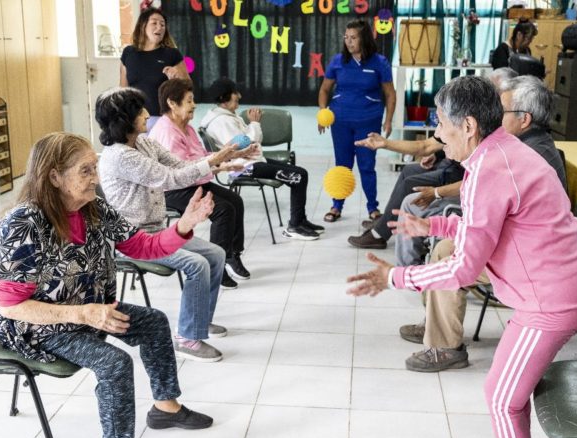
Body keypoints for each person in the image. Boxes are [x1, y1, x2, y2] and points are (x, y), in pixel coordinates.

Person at [347, 76, 577, 438]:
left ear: (468, 126)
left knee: (500, 398)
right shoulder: (499, 152)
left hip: (552, 299)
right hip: (559, 287)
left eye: (442, 122)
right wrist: (432, 223)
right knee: (507, 397)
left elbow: (464, 267)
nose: (438, 132)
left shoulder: (491, 167)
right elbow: (487, 225)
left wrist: (395, 277)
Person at [0, 132, 215, 438]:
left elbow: (143, 245)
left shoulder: (92, 208)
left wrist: (184, 225)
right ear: (55, 176)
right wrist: (85, 313)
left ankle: (166, 407)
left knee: (154, 322)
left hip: (87, 309)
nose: (96, 177)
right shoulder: (23, 224)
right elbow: (11, 305)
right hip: (37, 326)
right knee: (115, 363)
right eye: (86, 170)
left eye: (95, 167)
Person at [397, 75, 570, 373]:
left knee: (448, 254)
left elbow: (483, 208)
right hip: (512, 242)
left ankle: (445, 345)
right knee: (447, 245)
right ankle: (437, 326)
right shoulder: (513, 144)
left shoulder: (521, 152)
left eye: (502, 112)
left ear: (524, 118)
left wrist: (396, 276)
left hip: (531, 260)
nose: (494, 118)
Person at [97, 87, 243, 362]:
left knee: (216, 254)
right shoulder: (120, 156)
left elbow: (178, 164)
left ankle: (197, 320)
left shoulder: (142, 142)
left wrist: (218, 162)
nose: (147, 114)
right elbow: (169, 179)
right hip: (130, 240)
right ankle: (188, 337)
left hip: (154, 232)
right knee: (197, 264)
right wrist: (214, 161)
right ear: (124, 118)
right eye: (140, 110)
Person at [348, 68, 518, 250]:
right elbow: (427, 146)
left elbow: (476, 184)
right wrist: (436, 153)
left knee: (411, 184)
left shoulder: (498, 141)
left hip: (454, 175)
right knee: (408, 170)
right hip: (450, 166)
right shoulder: (468, 120)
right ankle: (385, 222)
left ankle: (381, 233)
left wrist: (437, 192)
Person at [149, 78, 258, 287]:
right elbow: (182, 171)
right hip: (172, 189)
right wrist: (220, 165)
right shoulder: (166, 132)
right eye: (189, 101)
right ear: (172, 103)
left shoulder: (186, 128)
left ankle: (232, 255)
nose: (194, 105)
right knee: (223, 209)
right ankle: (216, 265)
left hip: (192, 182)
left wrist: (231, 157)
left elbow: (201, 157)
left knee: (235, 201)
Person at [200, 77, 324, 240]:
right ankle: (294, 227)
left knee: (301, 173)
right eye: (235, 93)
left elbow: (250, 142)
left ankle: (300, 220)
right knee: (298, 177)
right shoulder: (221, 121)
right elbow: (244, 146)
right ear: (224, 98)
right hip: (243, 168)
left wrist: (253, 130)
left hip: (252, 162)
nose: (240, 96)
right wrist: (255, 123)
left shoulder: (227, 116)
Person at [318, 19, 395, 223]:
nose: (348, 42)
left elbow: (390, 93)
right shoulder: (337, 61)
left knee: (367, 166)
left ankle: (373, 208)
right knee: (342, 165)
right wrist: (322, 114)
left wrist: (388, 120)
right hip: (340, 121)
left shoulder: (379, 63)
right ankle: (336, 205)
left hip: (368, 122)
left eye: (353, 38)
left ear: (365, 39)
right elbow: (325, 89)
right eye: (346, 37)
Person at [120, 7, 189, 130]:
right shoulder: (128, 53)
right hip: (135, 119)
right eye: (154, 23)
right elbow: (122, 90)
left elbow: (188, 85)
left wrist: (176, 77)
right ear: (142, 26)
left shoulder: (172, 54)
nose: (160, 27)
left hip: (163, 120)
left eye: (163, 24)